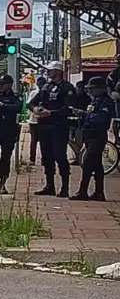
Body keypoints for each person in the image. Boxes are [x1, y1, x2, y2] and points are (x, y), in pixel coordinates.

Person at [30, 61, 75, 197]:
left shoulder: (67, 88)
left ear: (59, 72)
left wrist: (51, 113)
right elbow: (31, 103)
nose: (48, 72)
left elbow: (68, 108)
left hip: (59, 127)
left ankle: (65, 187)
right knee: (47, 157)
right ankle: (49, 185)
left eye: (51, 70)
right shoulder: (46, 87)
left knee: (60, 156)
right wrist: (36, 109)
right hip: (44, 126)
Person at [71, 76, 111, 201]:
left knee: (88, 163)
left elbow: (101, 119)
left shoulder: (105, 102)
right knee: (97, 165)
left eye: (93, 88)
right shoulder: (94, 101)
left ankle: (83, 191)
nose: (90, 91)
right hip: (89, 135)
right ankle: (99, 192)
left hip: (97, 136)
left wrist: (84, 114)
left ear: (101, 89)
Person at [27, 76, 47, 165]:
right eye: (40, 83)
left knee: (44, 142)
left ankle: (44, 159)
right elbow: (29, 104)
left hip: (44, 120)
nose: (41, 85)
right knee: (33, 141)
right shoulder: (34, 93)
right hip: (34, 120)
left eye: (42, 83)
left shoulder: (47, 93)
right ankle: (32, 159)